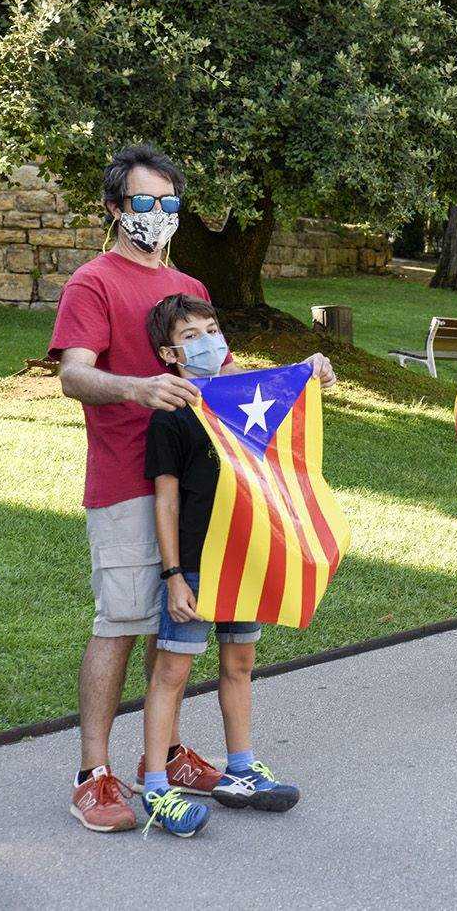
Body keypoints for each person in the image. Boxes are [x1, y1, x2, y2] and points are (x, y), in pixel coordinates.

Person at [50, 144, 332, 833]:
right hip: (123, 481)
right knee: (119, 625)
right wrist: (138, 387)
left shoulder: (192, 290)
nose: (158, 215)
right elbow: (73, 375)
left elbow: (226, 381)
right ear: (116, 208)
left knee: (174, 628)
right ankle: (94, 774)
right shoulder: (94, 281)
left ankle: (166, 756)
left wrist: (297, 374)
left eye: (170, 203)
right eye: (144, 202)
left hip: (202, 491)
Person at [138, 295, 302, 836]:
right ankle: (157, 787)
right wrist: (173, 574)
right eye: (191, 335)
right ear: (169, 353)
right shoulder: (170, 419)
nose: (208, 341)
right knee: (172, 671)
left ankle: (241, 768)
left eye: (212, 328)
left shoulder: (237, 403)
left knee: (239, 665)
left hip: (243, 558)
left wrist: (313, 370)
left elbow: (287, 403)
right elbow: (166, 501)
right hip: (196, 566)